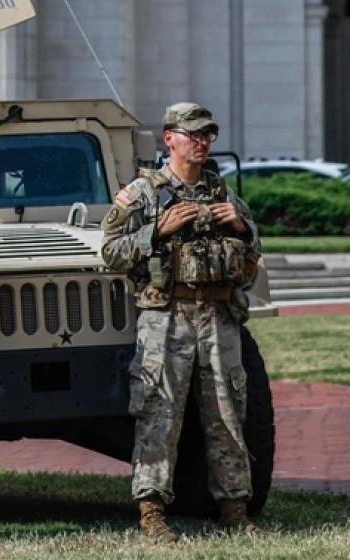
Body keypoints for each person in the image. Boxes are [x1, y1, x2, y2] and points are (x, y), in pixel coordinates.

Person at [99, 102, 265, 542]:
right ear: (169, 138)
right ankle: (152, 514)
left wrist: (245, 232)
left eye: (208, 135)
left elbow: (252, 257)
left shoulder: (223, 193)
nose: (202, 142)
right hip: (166, 317)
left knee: (229, 413)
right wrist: (155, 230)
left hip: (218, 315)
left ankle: (234, 509)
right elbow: (110, 252)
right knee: (159, 413)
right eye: (193, 134)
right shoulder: (144, 193)